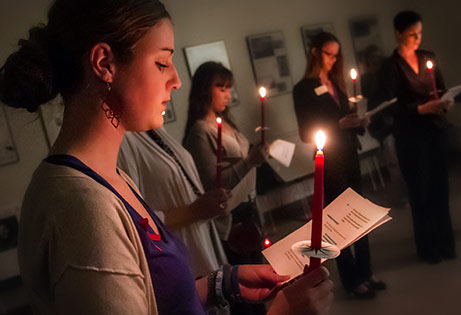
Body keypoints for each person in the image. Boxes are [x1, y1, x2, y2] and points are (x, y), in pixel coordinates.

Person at [0, 0, 333, 314]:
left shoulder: (108, 176)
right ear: (105, 64)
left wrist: (220, 285)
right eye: (161, 63)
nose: (175, 81)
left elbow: (148, 294)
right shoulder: (81, 207)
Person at [293, 31, 385, 298]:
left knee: (360, 215)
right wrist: (338, 125)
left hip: (350, 155)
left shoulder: (336, 84)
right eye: (328, 54)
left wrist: (359, 123)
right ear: (314, 52)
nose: (333, 60)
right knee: (339, 220)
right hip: (330, 161)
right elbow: (305, 131)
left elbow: (348, 119)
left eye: (336, 55)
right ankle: (351, 278)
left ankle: (367, 271)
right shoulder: (304, 89)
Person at [375, 11, 456, 264]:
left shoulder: (427, 57)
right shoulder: (390, 67)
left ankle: (446, 242)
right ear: (398, 33)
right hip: (411, 137)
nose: (417, 38)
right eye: (412, 34)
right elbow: (387, 106)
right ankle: (427, 246)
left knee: (440, 191)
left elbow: (439, 88)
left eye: (419, 33)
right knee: (420, 193)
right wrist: (419, 109)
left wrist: (444, 102)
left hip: (435, 132)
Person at [183, 62, 268, 266]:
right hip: (231, 215)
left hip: (249, 206)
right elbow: (213, 182)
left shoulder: (225, 123)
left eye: (228, 88)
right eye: (221, 88)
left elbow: (238, 159)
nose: (227, 95)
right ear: (204, 90)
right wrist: (249, 162)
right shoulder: (200, 131)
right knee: (244, 275)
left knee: (259, 267)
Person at [118, 127, 231, 278]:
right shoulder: (122, 143)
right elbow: (135, 223)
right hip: (183, 266)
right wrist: (194, 211)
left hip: (204, 248)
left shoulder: (155, 129)